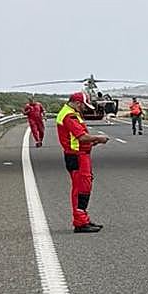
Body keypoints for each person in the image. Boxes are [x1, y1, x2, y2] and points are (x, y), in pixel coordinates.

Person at [56, 92, 109, 233]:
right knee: (82, 189)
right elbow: (81, 137)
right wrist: (99, 137)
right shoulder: (70, 116)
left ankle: (82, 219)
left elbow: (78, 138)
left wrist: (93, 142)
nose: (85, 109)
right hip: (77, 156)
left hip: (79, 154)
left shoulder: (70, 112)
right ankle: (80, 222)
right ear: (78, 103)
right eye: (84, 106)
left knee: (82, 187)